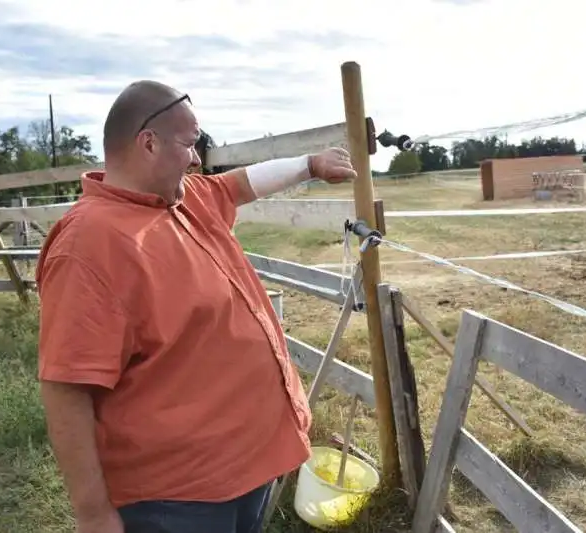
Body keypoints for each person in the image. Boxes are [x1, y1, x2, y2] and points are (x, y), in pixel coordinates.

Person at [35, 80, 358, 533]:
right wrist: (93, 515)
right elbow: (67, 390)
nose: (196, 159)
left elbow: (240, 183)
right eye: (190, 144)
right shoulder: (89, 244)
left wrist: (310, 165)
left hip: (246, 467)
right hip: (178, 498)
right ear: (148, 143)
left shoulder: (184, 200)